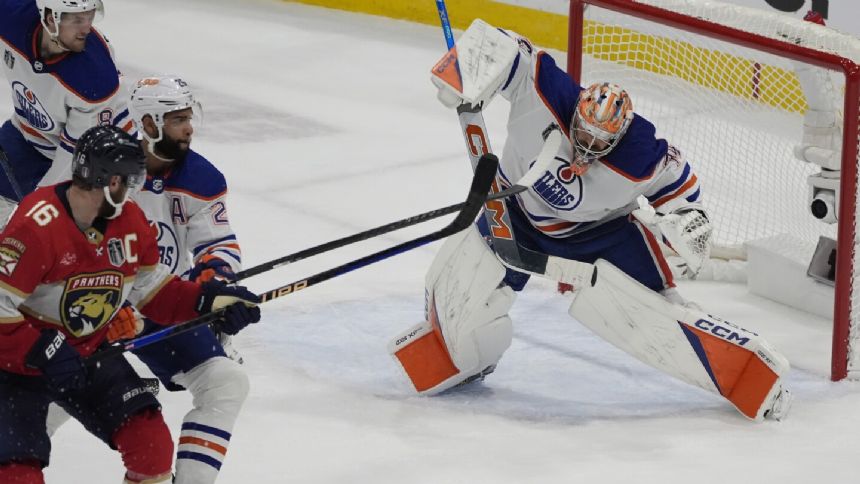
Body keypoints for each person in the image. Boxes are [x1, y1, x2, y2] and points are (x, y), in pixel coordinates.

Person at [391, 20, 792, 421]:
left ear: (619, 136)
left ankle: (746, 375)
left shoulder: (641, 153)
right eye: (584, 131)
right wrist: (466, 67)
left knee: (652, 315)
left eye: (601, 141)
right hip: (513, 214)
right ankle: (462, 357)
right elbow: (507, 46)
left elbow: (683, 190)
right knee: (456, 297)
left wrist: (687, 224)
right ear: (577, 110)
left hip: (599, 237)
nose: (588, 144)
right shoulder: (548, 92)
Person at [0, 125, 261, 483]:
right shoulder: (37, 224)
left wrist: (208, 302)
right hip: (14, 370)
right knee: (17, 475)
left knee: (151, 447)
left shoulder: (130, 222)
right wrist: (44, 350)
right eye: (130, 180)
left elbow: (153, 291)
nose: (135, 189)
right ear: (107, 180)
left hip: (86, 356)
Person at [119, 75, 248, 484]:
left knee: (226, 382)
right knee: (50, 400)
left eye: (189, 117)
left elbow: (218, 245)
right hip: (93, 307)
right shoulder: (107, 165)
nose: (189, 128)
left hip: (162, 301)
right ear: (150, 124)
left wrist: (213, 287)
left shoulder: (201, 178)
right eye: (177, 119)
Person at [0, 0, 133, 226]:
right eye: (77, 19)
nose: (87, 28)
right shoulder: (11, 17)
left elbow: (75, 154)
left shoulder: (94, 77)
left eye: (90, 17)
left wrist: (40, 206)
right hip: (29, 132)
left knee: (54, 232)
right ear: (51, 19)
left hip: (94, 161)